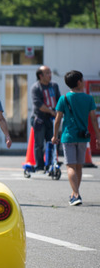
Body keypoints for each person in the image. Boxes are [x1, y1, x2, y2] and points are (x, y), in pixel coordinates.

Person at [51, 70, 100, 206]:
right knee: (79, 166)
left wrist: (55, 136)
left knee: (70, 166)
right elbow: (94, 120)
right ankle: (74, 193)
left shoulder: (64, 98)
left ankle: (76, 195)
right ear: (78, 82)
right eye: (82, 80)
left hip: (69, 136)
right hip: (83, 136)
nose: (83, 82)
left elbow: (57, 119)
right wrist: (98, 136)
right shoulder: (89, 98)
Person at [31, 65, 60, 171]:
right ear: (40, 75)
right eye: (47, 73)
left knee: (52, 141)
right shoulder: (36, 87)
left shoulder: (54, 86)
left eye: (50, 72)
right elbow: (38, 104)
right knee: (39, 144)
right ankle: (40, 165)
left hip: (52, 119)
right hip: (39, 119)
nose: (50, 75)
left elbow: (59, 100)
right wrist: (51, 111)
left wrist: (58, 112)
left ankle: (51, 163)